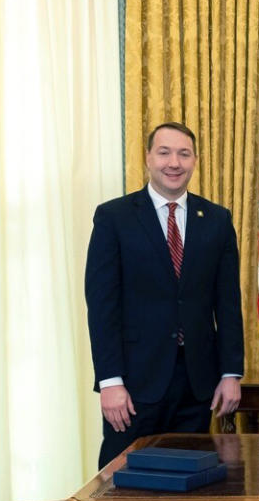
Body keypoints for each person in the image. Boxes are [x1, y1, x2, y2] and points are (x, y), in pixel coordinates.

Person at [85, 122, 243, 468]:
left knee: (190, 482)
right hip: (134, 384)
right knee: (121, 482)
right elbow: (102, 307)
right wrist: (110, 381)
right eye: (165, 152)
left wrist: (231, 373)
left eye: (184, 154)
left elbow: (228, 303)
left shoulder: (216, 219)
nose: (174, 162)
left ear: (195, 160)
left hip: (198, 384)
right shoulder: (114, 217)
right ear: (147, 158)